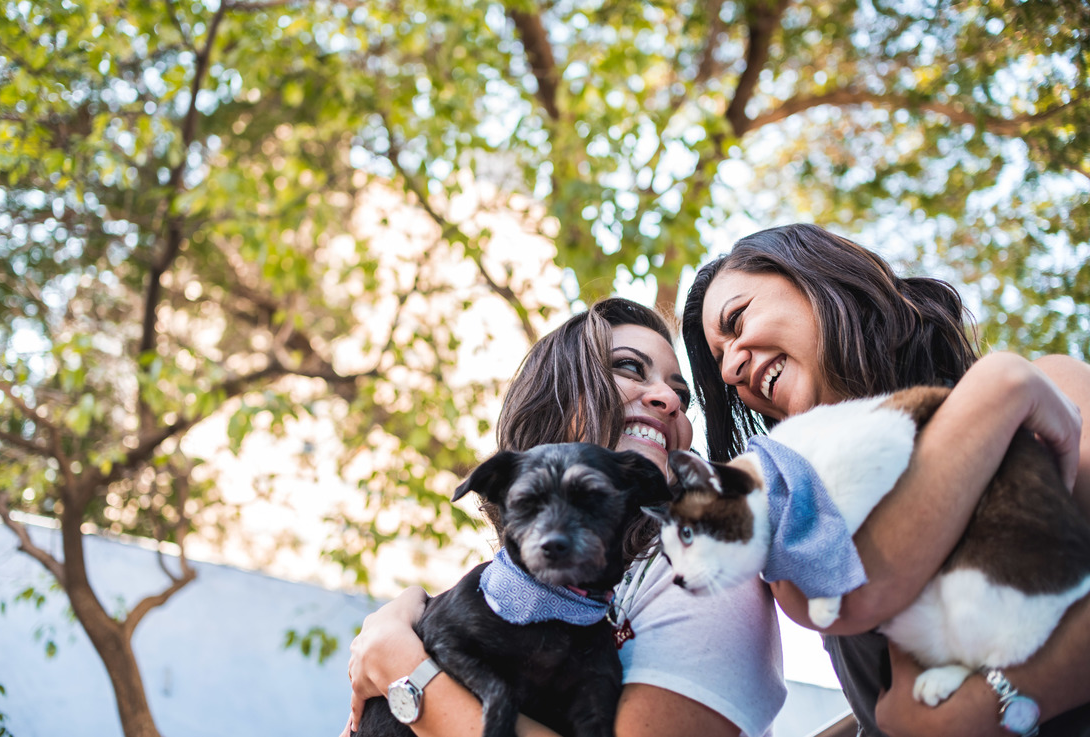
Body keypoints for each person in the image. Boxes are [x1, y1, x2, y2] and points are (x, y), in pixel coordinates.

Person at [681, 222, 1090, 737]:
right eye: (720, 363)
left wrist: (982, 706)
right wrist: (1000, 395)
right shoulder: (785, 513)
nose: (731, 372)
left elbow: (921, 719)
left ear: (814, 276)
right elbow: (860, 596)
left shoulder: (1056, 385)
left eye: (737, 321)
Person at [343, 298, 787, 737]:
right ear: (553, 399)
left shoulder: (702, 565)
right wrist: (403, 616)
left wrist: (404, 669)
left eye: (682, 395)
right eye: (630, 367)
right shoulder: (515, 593)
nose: (670, 398)